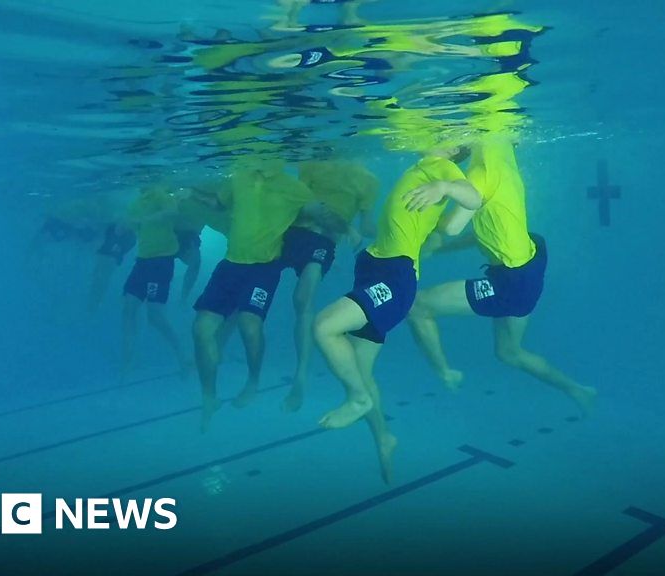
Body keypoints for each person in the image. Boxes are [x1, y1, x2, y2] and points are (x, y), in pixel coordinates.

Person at [312, 145, 479, 483]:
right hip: (375, 268)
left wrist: (445, 187)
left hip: (395, 278)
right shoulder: (423, 167)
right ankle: (384, 438)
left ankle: (358, 400)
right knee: (361, 368)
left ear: (453, 145)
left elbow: (473, 198)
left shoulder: (440, 167)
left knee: (325, 326)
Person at [406, 138, 597, 417]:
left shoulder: (479, 174)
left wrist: (438, 208)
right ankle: (578, 390)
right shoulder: (500, 150)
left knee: (417, 306)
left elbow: (454, 227)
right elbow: (489, 225)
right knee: (509, 352)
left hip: (512, 280)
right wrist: (441, 248)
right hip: (529, 259)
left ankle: (445, 373)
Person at [192, 159, 315, 432]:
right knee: (201, 328)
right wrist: (191, 191)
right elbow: (220, 204)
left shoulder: (293, 187)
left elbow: (315, 214)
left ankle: (253, 381)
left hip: (264, 267)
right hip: (231, 264)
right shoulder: (239, 175)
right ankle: (209, 396)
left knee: (250, 323)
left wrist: (340, 234)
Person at [280, 160, 379, 413]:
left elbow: (367, 226)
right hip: (290, 232)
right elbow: (301, 205)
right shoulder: (315, 164)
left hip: (322, 242)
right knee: (247, 293)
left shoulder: (368, 180)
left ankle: (300, 375)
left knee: (303, 299)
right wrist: (343, 225)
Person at [120, 183, 191, 381]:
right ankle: (128, 361)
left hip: (161, 262)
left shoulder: (160, 193)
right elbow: (129, 225)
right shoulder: (135, 203)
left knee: (155, 317)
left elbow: (172, 212)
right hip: (142, 261)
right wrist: (125, 224)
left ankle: (182, 357)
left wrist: (145, 219)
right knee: (128, 309)